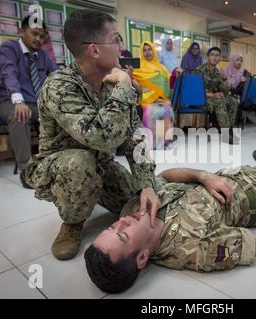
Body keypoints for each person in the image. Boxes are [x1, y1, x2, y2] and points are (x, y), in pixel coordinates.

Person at [84, 149, 256, 293]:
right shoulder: (193, 249)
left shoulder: (133, 208)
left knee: (255, 167)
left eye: (113, 226)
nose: (122, 223)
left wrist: (203, 176)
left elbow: (167, 177)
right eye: (122, 235)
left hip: (224, 177)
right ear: (143, 258)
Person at [25, 10, 160, 261]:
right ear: (94, 50)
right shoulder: (60, 86)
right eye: (116, 39)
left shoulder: (113, 82)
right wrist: (124, 89)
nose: (122, 47)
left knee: (140, 203)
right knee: (80, 163)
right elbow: (101, 136)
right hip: (62, 165)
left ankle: (93, 193)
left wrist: (146, 184)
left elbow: (134, 137)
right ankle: (72, 222)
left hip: (102, 164)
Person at [0, 16, 58, 186]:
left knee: (61, 117)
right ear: (21, 31)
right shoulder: (9, 48)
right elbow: (8, 73)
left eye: (42, 36)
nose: (38, 39)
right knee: (20, 116)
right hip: (10, 100)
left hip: (36, 102)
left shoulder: (42, 55)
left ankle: (57, 164)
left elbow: (57, 74)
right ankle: (27, 171)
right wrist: (18, 100)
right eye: (34, 34)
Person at [133, 41, 174, 149]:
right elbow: (136, 86)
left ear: (154, 51)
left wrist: (162, 98)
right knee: (153, 112)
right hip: (145, 100)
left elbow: (166, 86)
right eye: (144, 50)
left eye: (149, 49)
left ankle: (164, 141)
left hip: (161, 99)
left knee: (167, 110)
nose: (147, 52)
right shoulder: (137, 68)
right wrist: (150, 96)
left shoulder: (162, 69)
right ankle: (153, 143)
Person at [198, 47, 239, 144]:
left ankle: (228, 129)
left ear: (220, 58)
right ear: (208, 56)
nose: (214, 57)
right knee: (219, 102)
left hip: (212, 98)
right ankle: (226, 133)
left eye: (217, 55)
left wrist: (224, 78)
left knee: (232, 101)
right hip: (201, 99)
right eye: (212, 55)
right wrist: (213, 95)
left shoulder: (217, 72)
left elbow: (225, 91)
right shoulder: (199, 70)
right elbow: (196, 90)